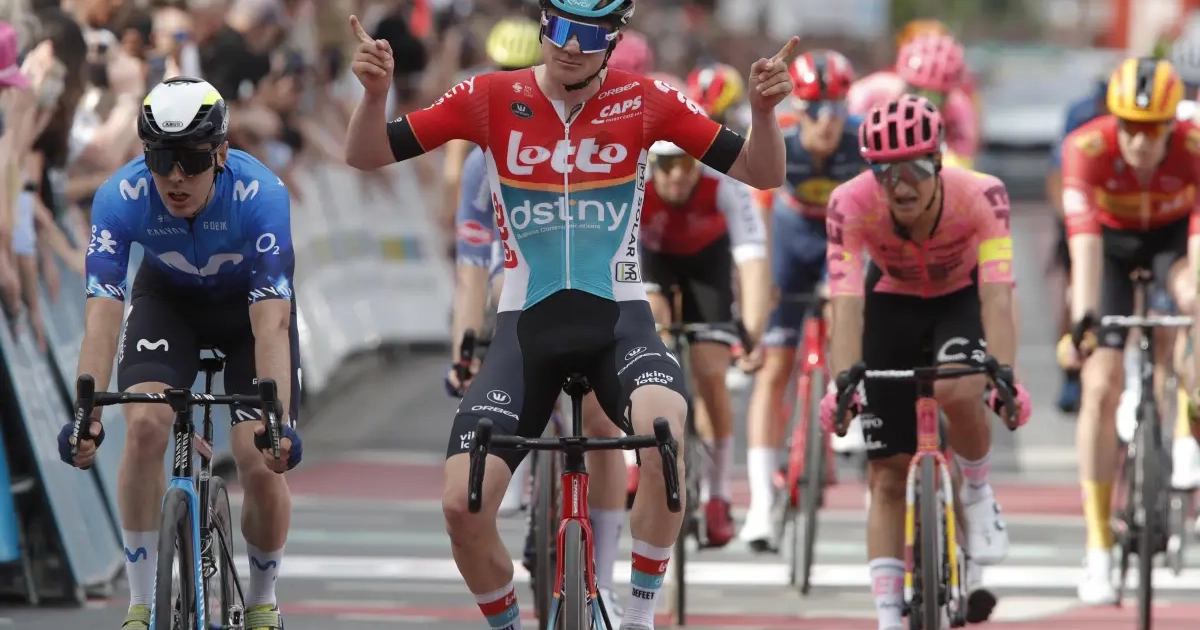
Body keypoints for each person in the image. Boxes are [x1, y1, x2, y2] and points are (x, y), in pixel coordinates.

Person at [345, 0, 797, 626]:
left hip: (619, 323)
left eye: (588, 33)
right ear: (542, 24)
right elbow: (367, 153)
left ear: (613, 39)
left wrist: (764, 114)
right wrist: (374, 96)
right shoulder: (489, 96)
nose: (570, 45)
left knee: (665, 438)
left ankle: (637, 616)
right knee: (460, 507)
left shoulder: (645, 100)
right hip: (524, 332)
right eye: (559, 27)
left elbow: (762, 172)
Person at [55, 77, 303, 630]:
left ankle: (262, 601)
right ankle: (141, 604)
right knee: (144, 426)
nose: (175, 177)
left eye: (191, 160)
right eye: (161, 159)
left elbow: (272, 322)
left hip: (248, 314)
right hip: (168, 305)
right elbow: (102, 313)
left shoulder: (261, 195)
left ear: (221, 154)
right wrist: (87, 413)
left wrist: (277, 422)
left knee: (260, 456)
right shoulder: (120, 197)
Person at [820, 93, 1031, 630]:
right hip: (889, 302)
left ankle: (977, 492)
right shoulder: (849, 203)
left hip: (960, 300)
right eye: (885, 172)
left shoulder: (981, 194)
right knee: (887, 475)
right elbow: (846, 303)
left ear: (938, 161)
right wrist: (841, 384)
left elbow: (997, 294)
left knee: (959, 389)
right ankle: (889, 617)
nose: (901, 185)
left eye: (914, 168)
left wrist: (1005, 374)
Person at [444, 27, 633, 623]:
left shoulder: (597, 137)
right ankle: (524, 477)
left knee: (600, 422)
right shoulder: (481, 164)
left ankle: (602, 577)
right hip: (516, 301)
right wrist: (463, 348)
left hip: (591, 293)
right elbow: (471, 269)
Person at [1057, 57, 1200, 605]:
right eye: (1130, 127)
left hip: (1172, 241)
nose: (1140, 142)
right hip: (1109, 249)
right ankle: (1097, 545)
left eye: (1153, 129)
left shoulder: (1194, 147)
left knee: (1191, 299)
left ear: (1171, 124)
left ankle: (1185, 428)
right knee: (1099, 386)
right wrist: (1083, 321)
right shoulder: (1086, 148)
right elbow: (1084, 244)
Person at [738, 49, 867, 548]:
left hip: (840, 239)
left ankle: (848, 396)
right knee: (773, 369)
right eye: (815, 109)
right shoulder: (780, 136)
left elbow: (874, 218)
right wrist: (762, 283)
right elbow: (760, 215)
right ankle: (760, 504)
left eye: (836, 109)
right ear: (798, 109)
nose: (827, 121)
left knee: (845, 310)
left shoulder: (861, 142)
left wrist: (856, 284)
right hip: (789, 240)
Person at [638, 139, 770, 547]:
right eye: (667, 165)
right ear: (652, 164)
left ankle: (717, 494)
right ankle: (632, 459)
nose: (678, 175)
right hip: (650, 258)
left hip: (707, 263)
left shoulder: (724, 179)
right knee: (648, 332)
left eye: (686, 164)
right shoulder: (634, 175)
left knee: (711, 372)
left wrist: (752, 332)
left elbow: (752, 258)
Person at [1046, 77, 1108, 413]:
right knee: (1075, 291)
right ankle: (1070, 375)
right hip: (1080, 207)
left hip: (1119, 212)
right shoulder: (1080, 115)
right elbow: (1057, 175)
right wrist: (1069, 221)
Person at [847, 33, 977, 168]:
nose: (923, 101)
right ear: (902, 80)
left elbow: (962, 163)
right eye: (916, 90)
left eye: (935, 96)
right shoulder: (870, 93)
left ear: (949, 94)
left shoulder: (960, 112)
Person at [686, 62, 747, 133]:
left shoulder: (726, 81)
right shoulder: (698, 91)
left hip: (729, 108)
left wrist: (714, 109)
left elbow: (731, 96)